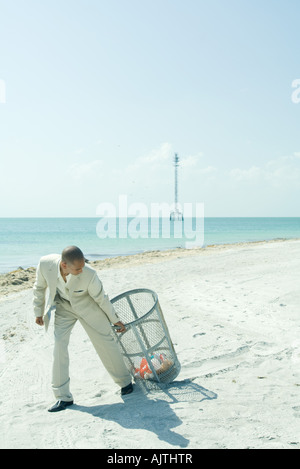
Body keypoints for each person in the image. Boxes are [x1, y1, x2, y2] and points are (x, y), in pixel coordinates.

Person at [33, 245, 133, 412]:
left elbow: (102, 298)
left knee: (105, 342)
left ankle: (125, 382)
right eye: (77, 268)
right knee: (59, 345)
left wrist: (115, 320)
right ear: (64, 265)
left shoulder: (90, 274)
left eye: (83, 265)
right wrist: (38, 312)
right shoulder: (45, 264)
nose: (82, 270)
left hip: (88, 308)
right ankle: (63, 397)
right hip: (64, 308)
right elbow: (39, 287)